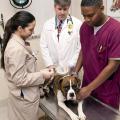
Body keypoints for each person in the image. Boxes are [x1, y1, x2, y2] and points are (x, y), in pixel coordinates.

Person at [1, 11, 54, 120]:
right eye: (30, 29)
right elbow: (20, 79)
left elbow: (23, 70)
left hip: (22, 96)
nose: (33, 32)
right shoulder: (16, 49)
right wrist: (42, 75)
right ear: (20, 28)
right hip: (24, 99)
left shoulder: (17, 42)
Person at [73, 0, 120, 109]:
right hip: (87, 83)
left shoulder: (116, 30)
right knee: (86, 113)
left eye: (90, 15)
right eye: (83, 15)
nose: (86, 19)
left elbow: (113, 66)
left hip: (107, 89)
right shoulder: (84, 27)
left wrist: (90, 88)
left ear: (102, 8)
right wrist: (75, 72)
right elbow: (83, 50)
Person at [40, 0, 82, 73]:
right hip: (53, 68)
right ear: (54, 7)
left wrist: (72, 63)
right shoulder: (47, 24)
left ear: (68, 8)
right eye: (59, 9)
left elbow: (80, 46)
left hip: (72, 68)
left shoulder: (77, 24)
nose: (62, 12)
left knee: (71, 84)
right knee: (55, 84)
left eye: (65, 9)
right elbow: (43, 46)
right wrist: (49, 64)